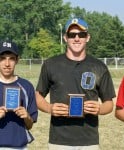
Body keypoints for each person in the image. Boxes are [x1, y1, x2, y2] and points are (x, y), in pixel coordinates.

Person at [36, 17, 116, 150]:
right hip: (59, 140)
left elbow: (109, 104)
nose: (77, 38)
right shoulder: (51, 64)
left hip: (89, 141)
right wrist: (49, 108)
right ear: (65, 38)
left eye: (81, 34)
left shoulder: (99, 66)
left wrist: (99, 109)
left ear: (88, 37)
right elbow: (38, 96)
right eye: (72, 35)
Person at [0, 41, 38, 149]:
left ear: (17, 60)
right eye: (2, 58)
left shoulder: (26, 86)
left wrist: (27, 117)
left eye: (11, 58)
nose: (7, 63)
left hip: (19, 147)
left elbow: (30, 125)